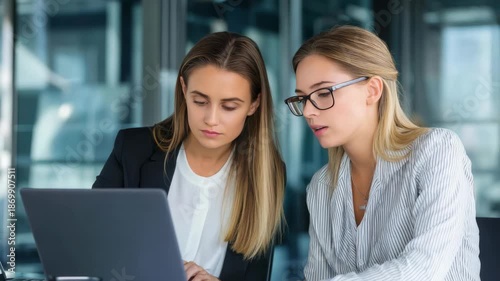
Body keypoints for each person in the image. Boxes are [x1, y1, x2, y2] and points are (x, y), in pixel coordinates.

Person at [284, 26, 480, 280]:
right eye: (302, 99)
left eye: (323, 93)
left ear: (373, 90)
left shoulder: (438, 151)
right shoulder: (322, 187)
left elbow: (423, 270)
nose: (309, 112)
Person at [93, 32, 286, 281]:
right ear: (184, 89)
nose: (211, 119)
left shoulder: (268, 173)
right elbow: (92, 243)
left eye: (229, 106)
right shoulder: (133, 149)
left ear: (254, 104)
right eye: (200, 101)